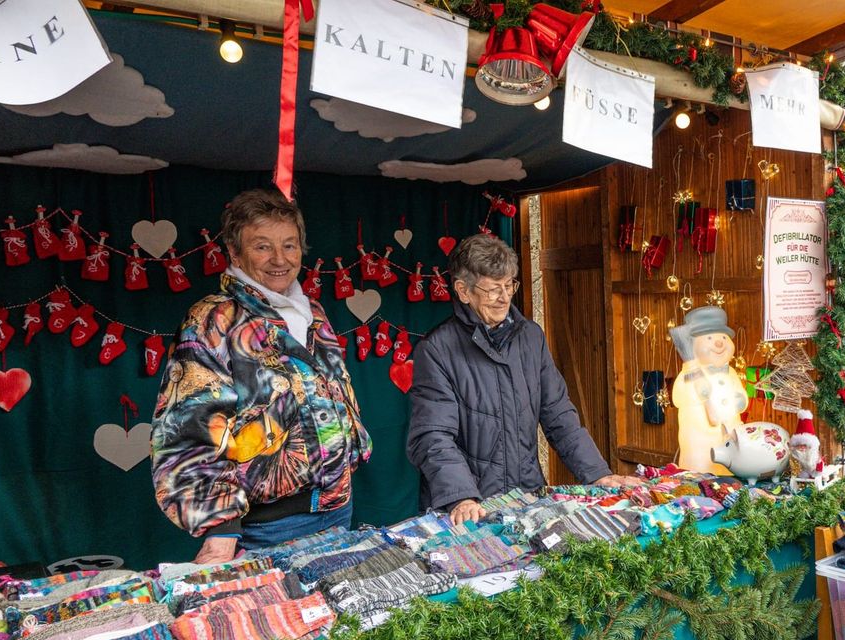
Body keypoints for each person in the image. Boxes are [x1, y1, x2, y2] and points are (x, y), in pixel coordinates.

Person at [150, 188, 371, 563]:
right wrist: (220, 529)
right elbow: (187, 429)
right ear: (234, 253)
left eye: (289, 245)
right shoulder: (214, 319)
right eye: (262, 247)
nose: (279, 259)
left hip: (337, 510)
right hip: (269, 528)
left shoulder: (311, 312)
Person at [407, 234, 640, 525]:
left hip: (526, 498)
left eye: (509, 285)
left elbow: (559, 416)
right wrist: (462, 496)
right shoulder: (437, 350)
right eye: (493, 289)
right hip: (470, 508)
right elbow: (432, 436)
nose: (504, 297)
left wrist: (598, 473)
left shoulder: (530, 337)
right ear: (463, 291)